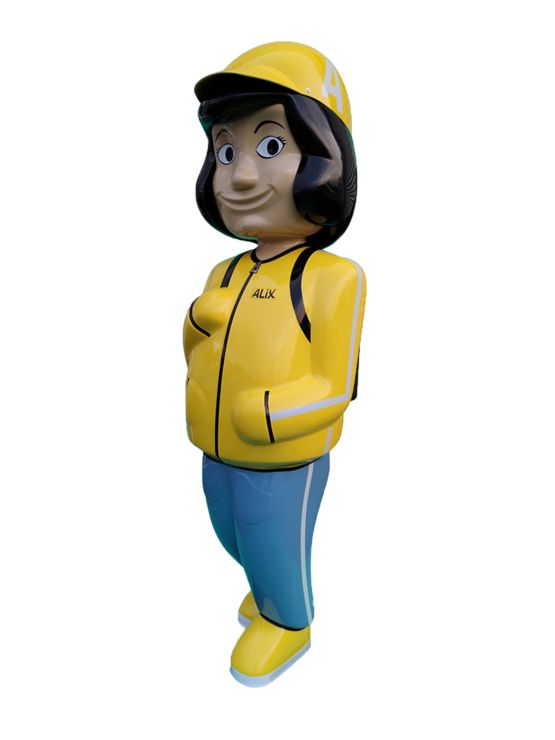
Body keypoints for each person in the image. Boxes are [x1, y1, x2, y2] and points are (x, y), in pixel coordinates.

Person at [184, 41, 367, 686]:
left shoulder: (332, 278)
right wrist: (194, 324)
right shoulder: (224, 271)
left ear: (325, 157)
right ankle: (267, 587)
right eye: (225, 151)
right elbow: (198, 350)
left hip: (281, 457)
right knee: (234, 536)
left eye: (269, 146)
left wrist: (270, 414)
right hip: (215, 448)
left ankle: (289, 622)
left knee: (271, 537)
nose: (238, 176)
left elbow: (337, 385)